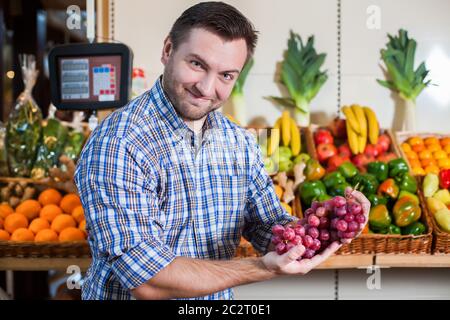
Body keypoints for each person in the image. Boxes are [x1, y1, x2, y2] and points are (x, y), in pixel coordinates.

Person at [74, 1, 370, 300]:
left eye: (226, 75)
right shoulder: (119, 143)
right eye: (197, 64)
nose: (206, 87)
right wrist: (262, 268)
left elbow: (269, 227)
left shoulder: (238, 141)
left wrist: (332, 224)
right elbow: (147, 281)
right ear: (167, 50)